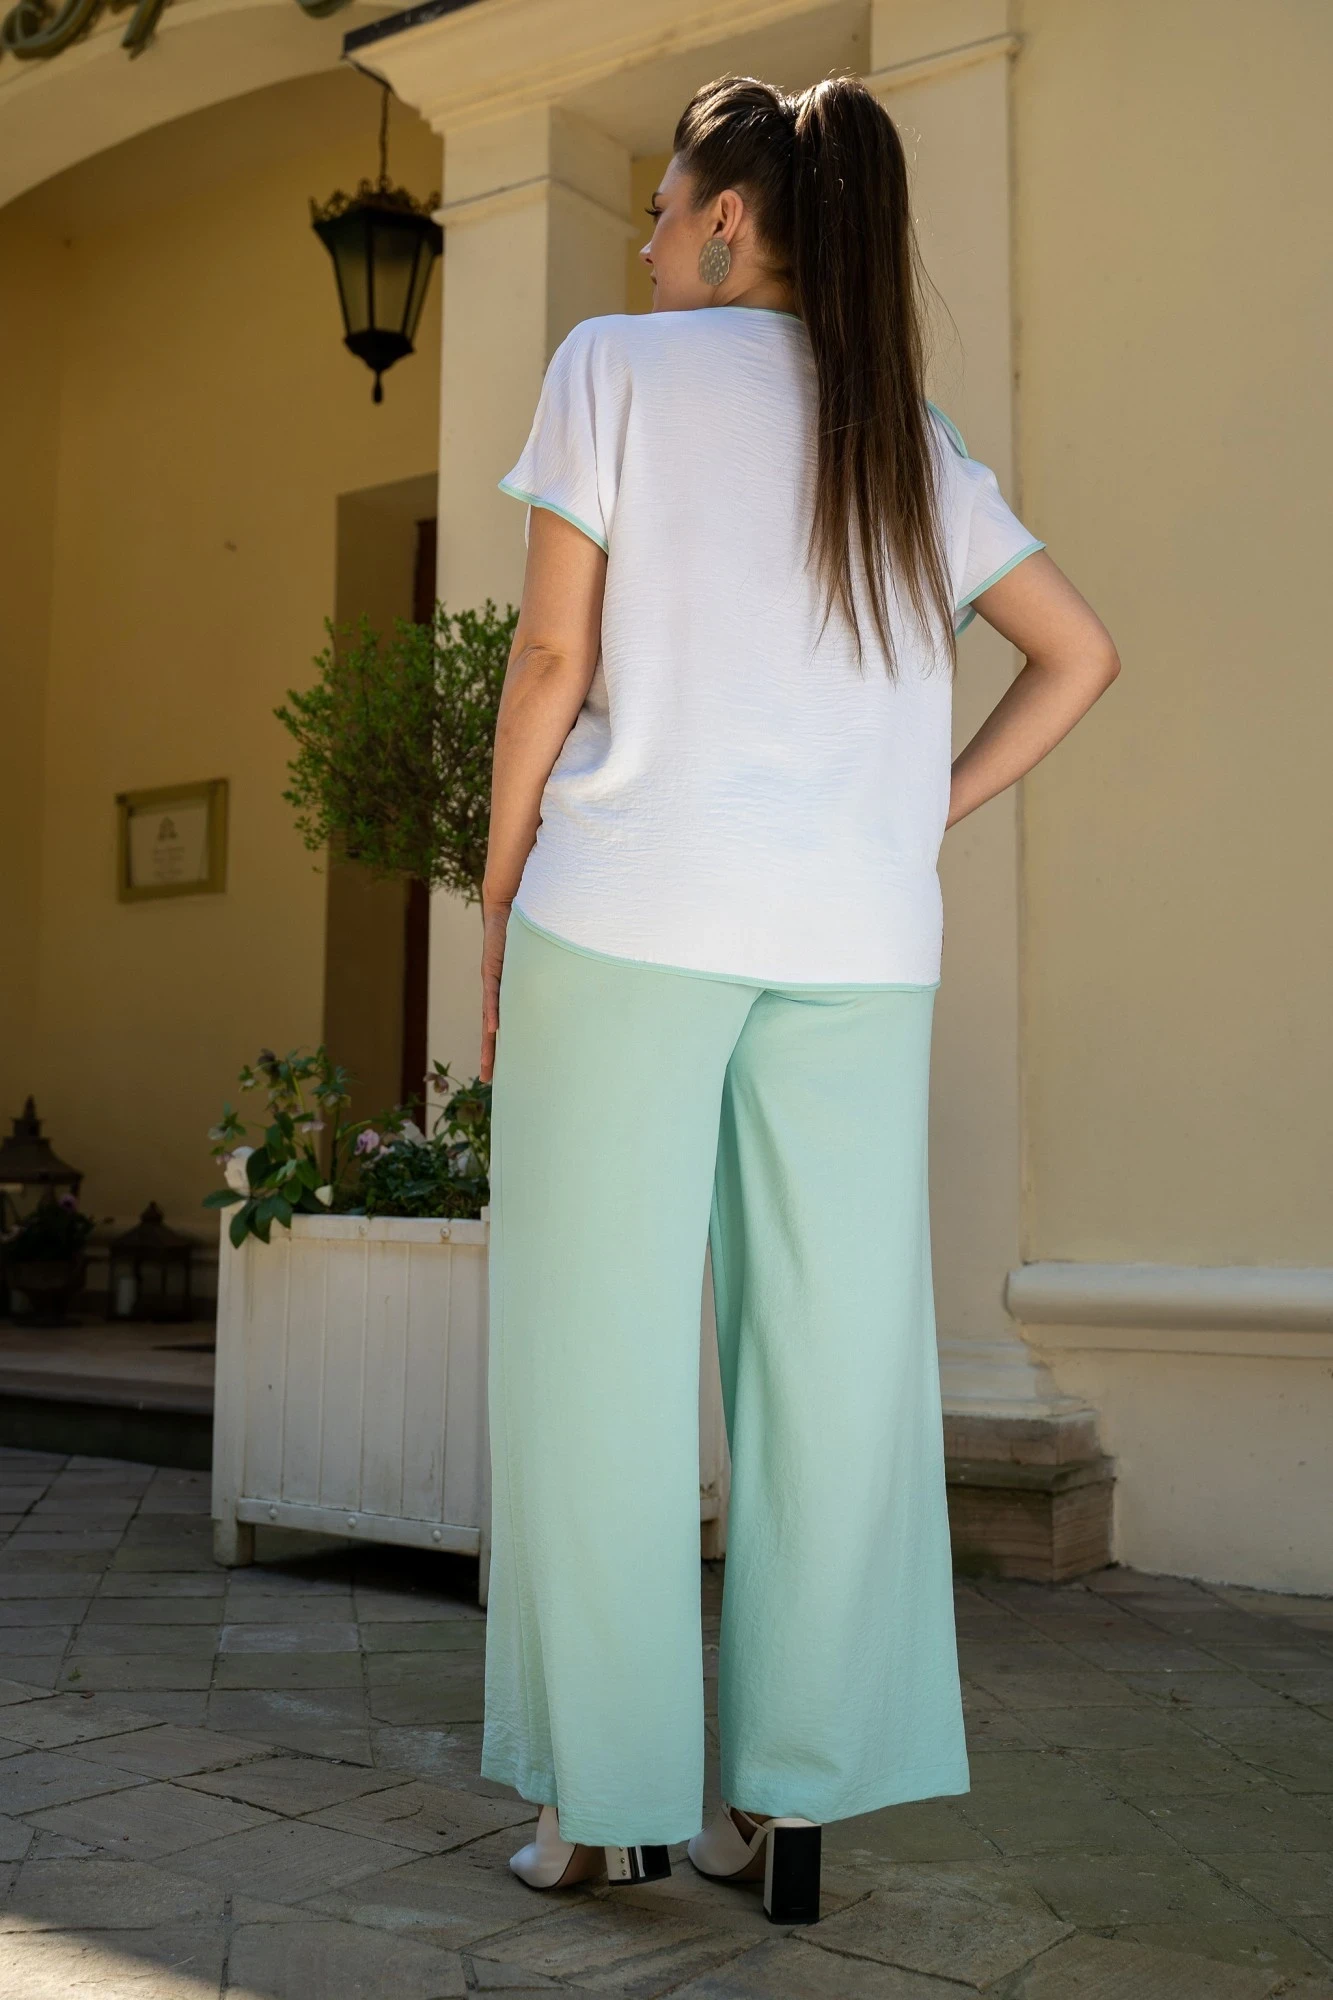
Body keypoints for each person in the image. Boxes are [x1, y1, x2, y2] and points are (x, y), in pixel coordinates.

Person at [476, 73, 1119, 1925]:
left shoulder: (612, 367)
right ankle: (792, 1800)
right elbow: (1079, 654)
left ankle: (602, 1804)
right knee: (834, 1368)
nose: (645, 242)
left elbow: (549, 655)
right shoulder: (903, 433)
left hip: (631, 913)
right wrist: (918, 808)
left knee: (596, 1354)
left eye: (662, 206)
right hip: (857, 945)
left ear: (729, 218)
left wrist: (498, 887)